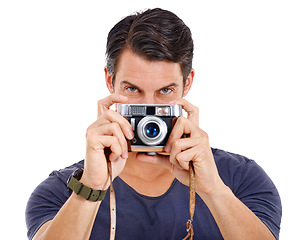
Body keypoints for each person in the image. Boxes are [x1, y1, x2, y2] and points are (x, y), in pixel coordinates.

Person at [26, 8, 282, 240]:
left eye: (165, 91)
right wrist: (91, 187)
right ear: (109, 81)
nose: (149, 110)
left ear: (187, 83)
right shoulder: (62, 191)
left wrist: (211, 188)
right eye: (133, 90)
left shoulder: (240, 179)